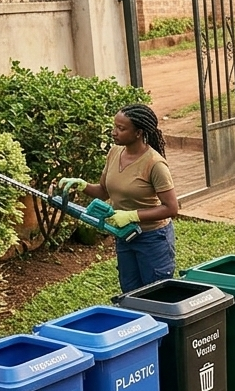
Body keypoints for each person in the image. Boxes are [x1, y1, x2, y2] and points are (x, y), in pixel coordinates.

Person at [57, 104, 178, 293]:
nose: (114, 132)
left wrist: (132, 216)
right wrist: (82, 185)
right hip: (124, 235)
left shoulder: (155, 164)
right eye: (115, 126)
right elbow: (104, 191)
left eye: (121, 129)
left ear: (138, 133)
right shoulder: (114, 153)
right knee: (129, 292)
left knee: (156, 294)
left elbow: (171, 208)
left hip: (153, 238)